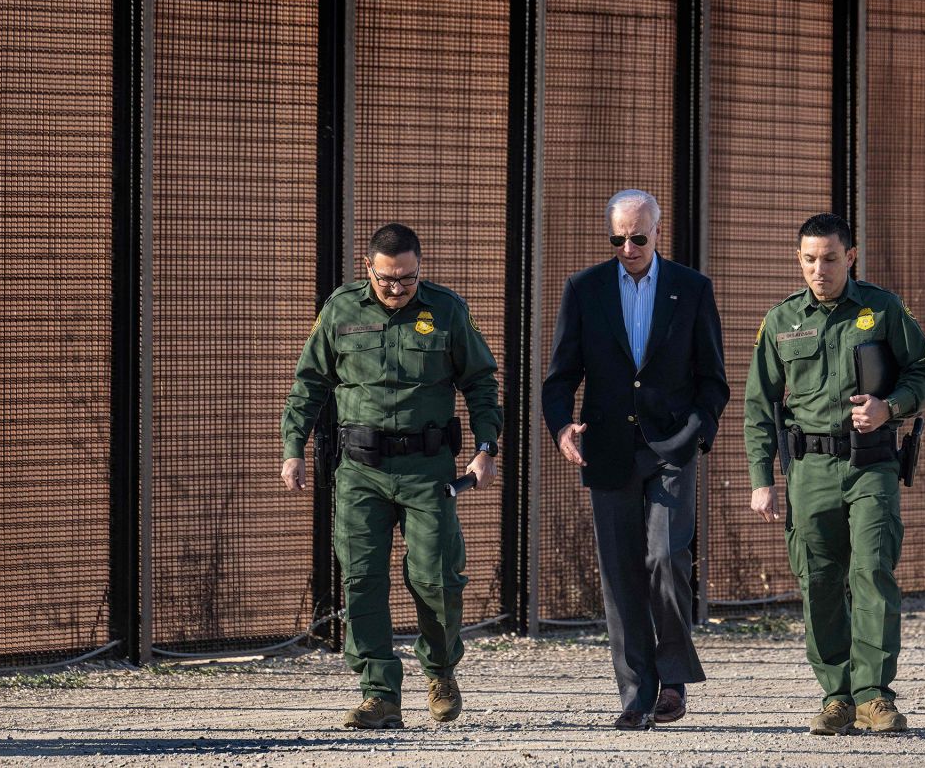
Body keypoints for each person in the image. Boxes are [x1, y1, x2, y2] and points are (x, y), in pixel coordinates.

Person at [281, 223, 502, 730]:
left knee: (436, 577)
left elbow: (481, 382)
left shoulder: (447, 310)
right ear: (370, 270)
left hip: (427, 470)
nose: (397, 288)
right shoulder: (340, 310)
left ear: (419, 269)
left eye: (406, 279)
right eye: (387, 280)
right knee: (361, 579)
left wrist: (487, 448)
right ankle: (379, 692)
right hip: (361, 470)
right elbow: (309, 383)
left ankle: (441, 670)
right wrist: (293, 449)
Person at [744, 212, 925, 735]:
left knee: (872, 570)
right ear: (799, 260)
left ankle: (875, 695)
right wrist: (761, 479)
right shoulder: (781, 322)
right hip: (808, 469)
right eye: (809, 259)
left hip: (871, 461)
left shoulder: (881, 309)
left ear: (850, 257)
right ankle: (837, 696)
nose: (819, 269)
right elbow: (759, 407)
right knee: (820, 581)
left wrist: (890, 407)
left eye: (830, 258)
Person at [542, 189, 728, 731]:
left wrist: (697, 433)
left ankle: (671, 678)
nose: (628, 247)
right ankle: (636, 694)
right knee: (622, 575)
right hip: (608, 450)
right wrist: (561, 429)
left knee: (667, 558)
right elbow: (559, 379)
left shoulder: (692, 289)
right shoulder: (584, 289)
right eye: (618, 238)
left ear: (657, 233)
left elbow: (713, 380)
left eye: (638, 237)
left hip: (672, 448)